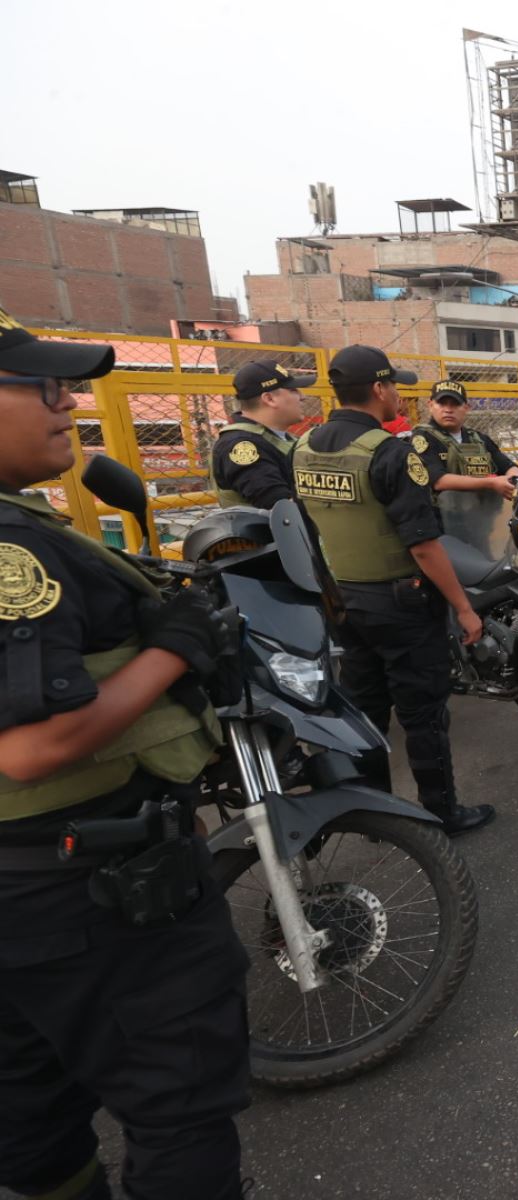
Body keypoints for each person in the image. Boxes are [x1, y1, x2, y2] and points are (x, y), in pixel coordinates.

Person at [0, 310, 252, 1200]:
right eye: (42, 385)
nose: (68, 400)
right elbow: (35, 747)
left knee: (30, 1109)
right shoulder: (12, 552)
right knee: (176, 1100)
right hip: (82, 888)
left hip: (29, 893)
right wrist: (176, 648)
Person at [293, 345, 494, 836]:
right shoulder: (389, 453)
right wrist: (464, 609)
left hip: (342, 599)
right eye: (396, 387)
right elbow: (424, 545)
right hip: (401, 602)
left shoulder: (304, 448)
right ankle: (440, 815)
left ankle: (375, 815)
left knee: (364, 710)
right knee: (422, 711)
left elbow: (304, 525)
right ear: (380, 389)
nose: (399, 396)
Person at [210, 360, 312, 509]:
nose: (302, 397)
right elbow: (281, 508)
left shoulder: (276, 438)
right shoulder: (241, 445)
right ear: (269, 399)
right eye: (293, 390)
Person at [412, 381, 518, 503]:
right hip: (442, 517)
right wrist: (490, 483)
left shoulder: (478, 438)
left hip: (483, 515)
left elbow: (510, 467)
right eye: (442, 404)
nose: (448, 410)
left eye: (455, 404)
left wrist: (513, 480)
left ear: (466, 408)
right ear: (430, 405)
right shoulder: (423, 437)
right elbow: (438, 481)